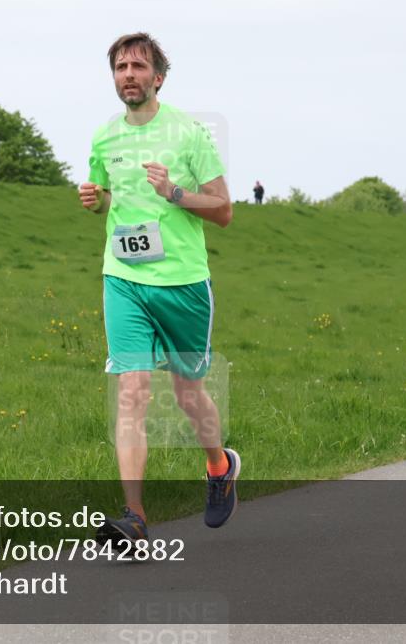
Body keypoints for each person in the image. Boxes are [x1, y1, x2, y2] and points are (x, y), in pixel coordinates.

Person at [78, 32, 241, 548]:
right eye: (120, 67)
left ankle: (219, 467)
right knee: (131, 391)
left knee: (188, 393)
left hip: (182, 283)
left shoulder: (189, 133)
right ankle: (134, 517)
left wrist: (173, 191)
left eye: (138, 66)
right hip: (124, 278)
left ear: (159, 77)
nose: (128, 74)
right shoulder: (104, 138)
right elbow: (110, 197)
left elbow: (223, 210)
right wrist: (96, 200)